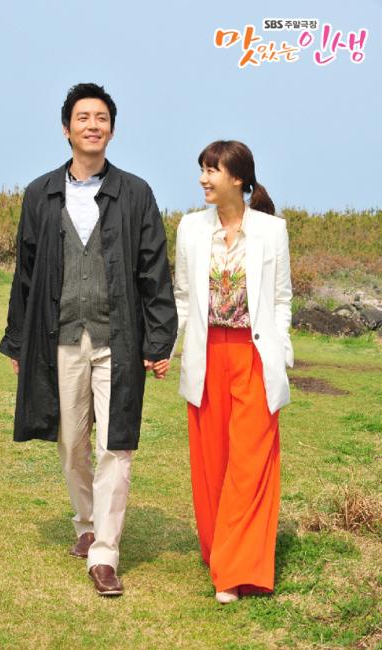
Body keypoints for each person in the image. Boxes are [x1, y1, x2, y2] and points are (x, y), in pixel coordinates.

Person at [0, 83, 178, 597]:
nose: (92, 125)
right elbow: (26, 273)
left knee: (115, 443)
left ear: (112, 130)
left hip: (119, 338)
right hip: (59, 337)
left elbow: (153, 270)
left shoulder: (136, 193)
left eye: (101, 117)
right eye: (83, 117)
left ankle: (105, 554)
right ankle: (86, 522)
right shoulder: (40, 194)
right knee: (71, 441)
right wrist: (18, 341)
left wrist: (158, 340)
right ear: (66, 128)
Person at [170, 140, 293, 604]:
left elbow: (281, 299)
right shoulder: (189, 228)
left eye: (212, 170)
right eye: (202, 169)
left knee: (250, 463)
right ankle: (221, 550)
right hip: (206, 356)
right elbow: (183, 298)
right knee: (212, 462)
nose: (203, 178)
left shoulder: (272, 230)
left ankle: (236, 571)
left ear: (238, 178)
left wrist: (280, 351)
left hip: (254, 357)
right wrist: (165, 349)